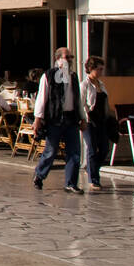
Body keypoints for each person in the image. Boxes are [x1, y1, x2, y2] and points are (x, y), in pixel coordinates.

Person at [32, 47, 86, 193]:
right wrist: (38, 119)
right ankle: (39, 174)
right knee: (51, 150)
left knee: (74, 152)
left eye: (71, 57)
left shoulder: (73, 77)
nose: (70, 60)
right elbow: (41, 98)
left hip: (71, 118)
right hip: (55, 119)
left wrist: (82, 118)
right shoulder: (48, 76)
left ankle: (71, 183)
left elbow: (77, 100)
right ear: (58, 59)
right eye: (67, 57)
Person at [81, 55, 115, 192]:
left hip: (102, 121)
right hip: (90, 121)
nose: (101, 72)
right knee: (92, 149)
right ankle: (94, 180)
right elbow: (82, 103)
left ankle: (92, 169)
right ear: (91, 69)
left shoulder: (101, 85)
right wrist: (83, 119)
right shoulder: (84, 85)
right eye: (99, 69)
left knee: (105, 149)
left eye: (102, 69)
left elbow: (105, 103)